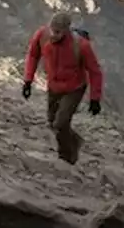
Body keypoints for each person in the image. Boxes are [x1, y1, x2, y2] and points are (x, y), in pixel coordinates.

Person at [21, 12, 104, 164]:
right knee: (53, 122)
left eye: (58, 32)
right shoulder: (42, 35)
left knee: (61, 123)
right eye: (52, 30)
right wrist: (27, 80)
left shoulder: (81, 46)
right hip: (53, 86)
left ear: (66, 31)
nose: (53, 34)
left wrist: (95, 98)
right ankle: (75, 141)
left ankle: (66, 157)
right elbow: (33, 55)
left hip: (74, 88)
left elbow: (95, 71)